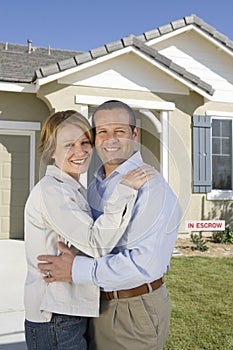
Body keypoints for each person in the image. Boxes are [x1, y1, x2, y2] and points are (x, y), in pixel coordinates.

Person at [38, 101, 182, 350]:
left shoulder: (150, 187)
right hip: (94, 303)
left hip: (132, 309)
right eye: (102, 132)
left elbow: (141, 266)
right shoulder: (96, 186)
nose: (110, 139)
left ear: (135, 135)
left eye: (120, 131)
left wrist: (75, 270)